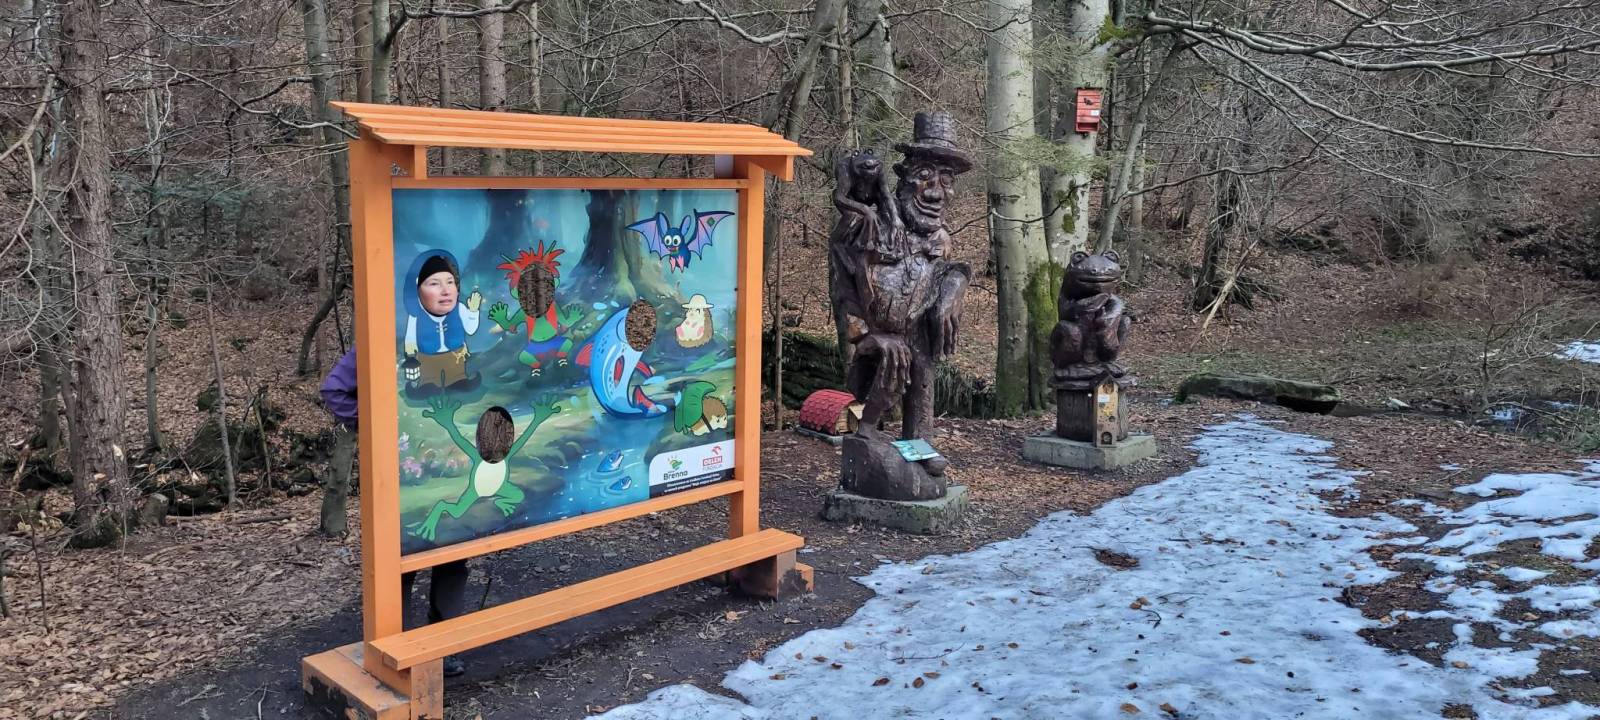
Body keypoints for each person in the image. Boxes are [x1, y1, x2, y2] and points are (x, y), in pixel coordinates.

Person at [320, 347, 471, 677]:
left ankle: (444, 648)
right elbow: (334, 390)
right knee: (399, 562)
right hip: (399, 477)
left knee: (454, 554)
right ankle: (397, 650)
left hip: (449, 467)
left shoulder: (453, 340)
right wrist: (375, 421)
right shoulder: (380, 339)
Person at [402, 250, 482, 391]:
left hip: (455, 355)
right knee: (429, 381)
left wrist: (473, 312)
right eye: (434, 284)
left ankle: (458, 381)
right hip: (427, 357)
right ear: (418, 288)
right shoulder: (416, 315)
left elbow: (471, 329)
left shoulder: (460, 309)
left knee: (456, 378)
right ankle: (426, 384)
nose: (445, 291)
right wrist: (410, 357)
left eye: (450, 282)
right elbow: (410, 339)